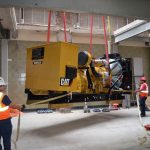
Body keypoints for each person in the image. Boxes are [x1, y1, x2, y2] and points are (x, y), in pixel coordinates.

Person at [0, 77, 23, 150]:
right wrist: (20, 107)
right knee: (6, 140)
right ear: (1, 86)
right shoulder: (3, 96)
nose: (4, 87)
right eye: (3, 85)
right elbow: (12, 105)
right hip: (4, 123)